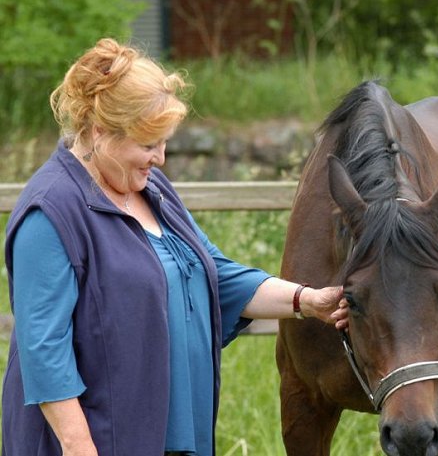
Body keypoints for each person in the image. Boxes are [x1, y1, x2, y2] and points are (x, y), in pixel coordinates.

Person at [2, 38, 342, 456]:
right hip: (101, 440)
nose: (160, 158)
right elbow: (44, 350)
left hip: (174, 433)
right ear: (99, 133)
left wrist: (307, 300)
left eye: (165, 143)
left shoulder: (151, 190)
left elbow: (213, 272)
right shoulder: (51, 211)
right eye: (148, 145)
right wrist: (78, 447)